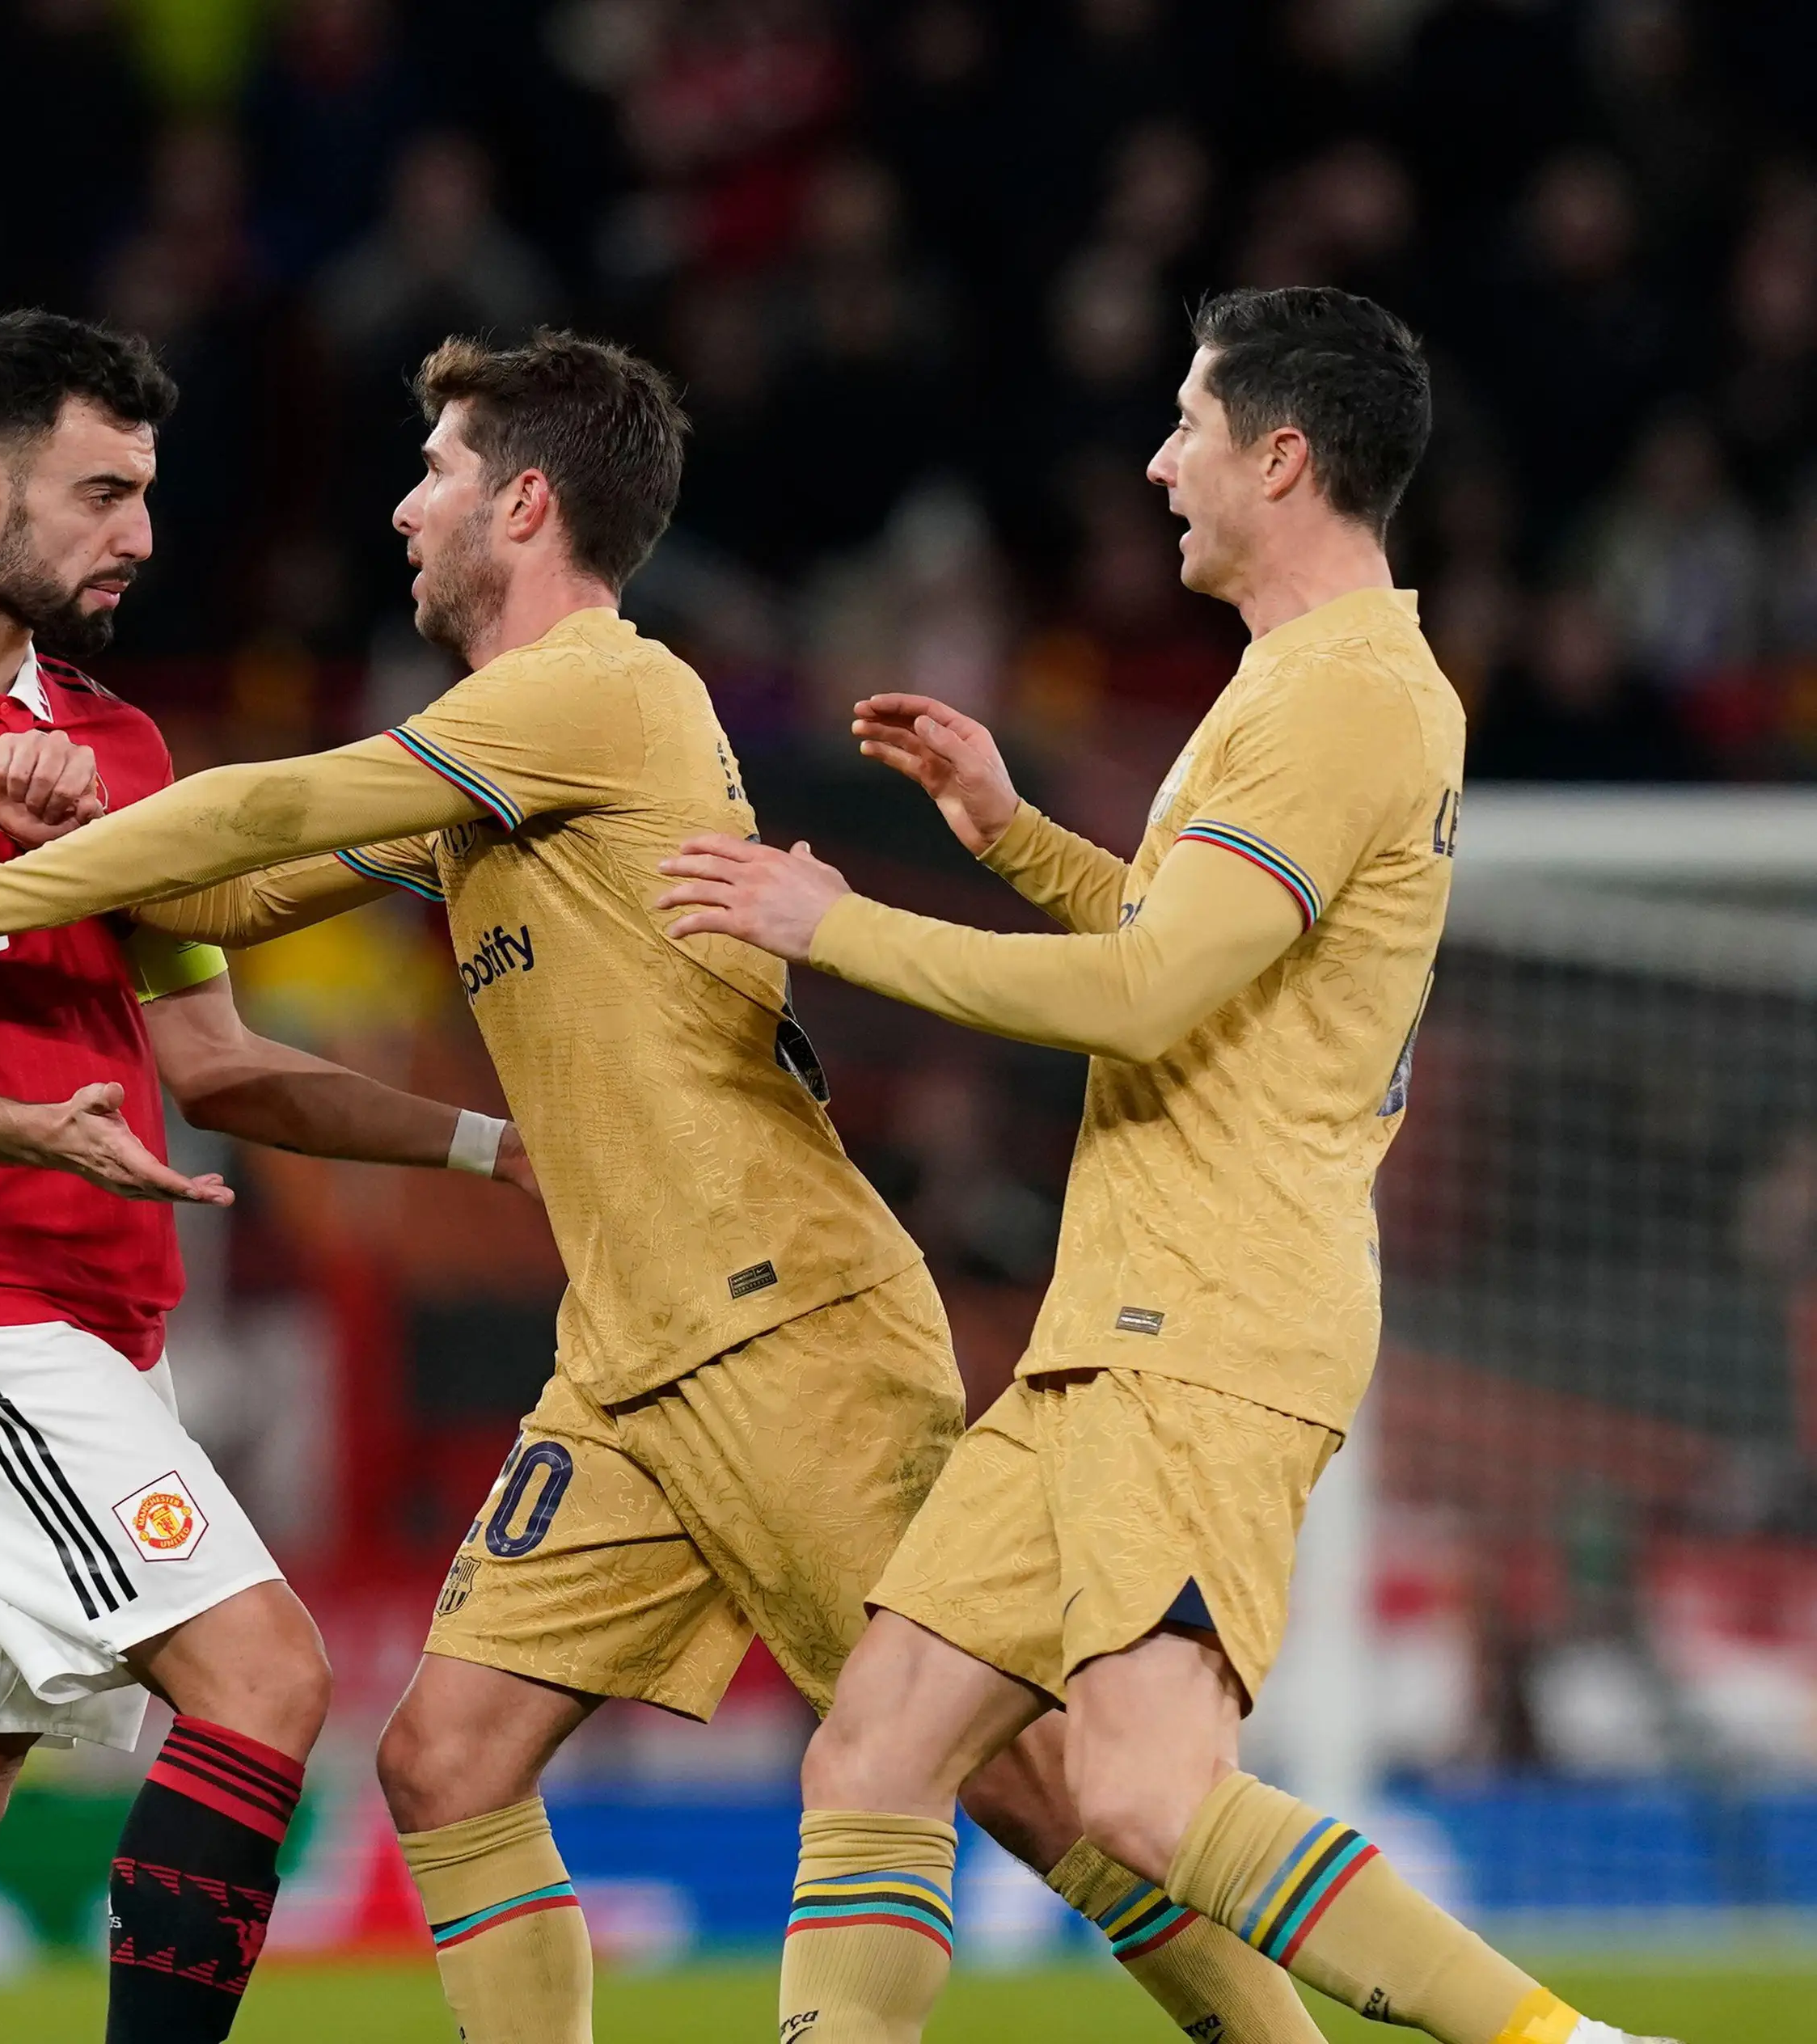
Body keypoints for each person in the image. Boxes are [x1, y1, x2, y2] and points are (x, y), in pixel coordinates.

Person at [0, 329, 1320, 2044]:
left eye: (438, 475)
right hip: (627, 1361)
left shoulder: (599, 691)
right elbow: (229, 900)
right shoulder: (495, 755)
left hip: (790, 1333)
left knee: (1028, 1780)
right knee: (447, 1758)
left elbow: (284, 801)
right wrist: (56, 832)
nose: (405, 511)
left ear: (526, 504)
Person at [649, 287, 1671, 2044]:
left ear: (1281, 457)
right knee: (879, 1747)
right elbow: (1189, 945)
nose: (1155, 463)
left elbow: (1143, 995)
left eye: (1187, 425)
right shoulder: (1302, 684)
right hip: (1112, 1323)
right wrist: (1017, 837)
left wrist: (838, 924)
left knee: (1140, 1791)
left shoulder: (1346, 700)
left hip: (1210, 1317)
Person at [0, 309, 537, 2044]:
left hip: (101, 1316)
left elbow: (217, 1063)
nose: (142, 536)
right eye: (102, 493)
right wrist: (29, 1129)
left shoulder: (120, 751)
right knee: (266, 1678)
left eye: (146, 494)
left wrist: (490, 1145)